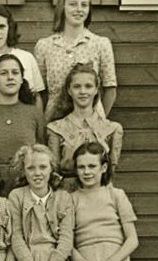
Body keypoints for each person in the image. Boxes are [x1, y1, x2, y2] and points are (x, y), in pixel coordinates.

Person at [36, 0, 117, 121]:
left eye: (84, 5)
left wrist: (98, 122)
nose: (79, 9)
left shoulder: (100, 44)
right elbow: (40, 92)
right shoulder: (44, 46)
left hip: (91, 124)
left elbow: (110, 89)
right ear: (63, 7)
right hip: (55, 122)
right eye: (73, 4)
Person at [46, 63, 123, 192]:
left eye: (88, 86)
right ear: (69, 90)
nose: (83, 92)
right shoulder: (55, 128)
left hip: (100, 194)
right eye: (77, 87)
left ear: (96, 89)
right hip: (67, 194)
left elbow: (110, 173)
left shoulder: (113, 129)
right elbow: (54, 172)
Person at [0, 54, 46, 196]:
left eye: (15, 73)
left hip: (26, 187)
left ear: (22, 79)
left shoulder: (34, 113)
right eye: (3, 73)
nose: (10, 77)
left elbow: (42, 150)